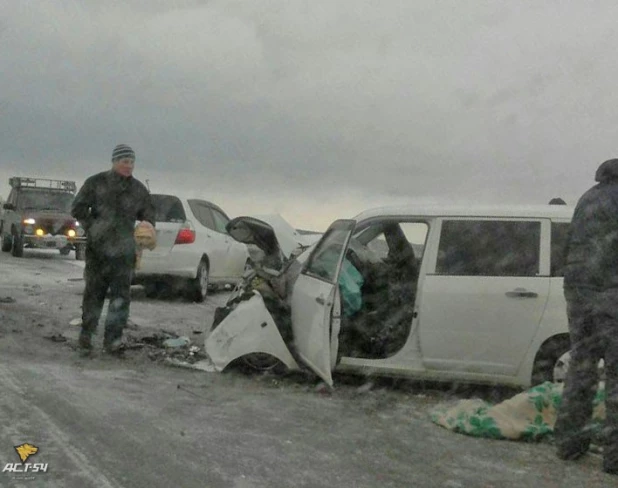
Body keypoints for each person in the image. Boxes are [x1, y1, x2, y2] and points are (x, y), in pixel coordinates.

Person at [554, 158, 618, 475]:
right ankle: (615, 459)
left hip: (578, 295)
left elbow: (570, 246)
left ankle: (569, 444)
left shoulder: (587, 197)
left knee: (581, 369)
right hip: (611, 294)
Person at [71, 144, 155, 354]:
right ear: (114, 162)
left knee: (121, 297)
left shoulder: (137, 190)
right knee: (94, 294)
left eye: (132, 162)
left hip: (124, 252)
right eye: (125, 162)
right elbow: (77, 208)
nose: (129, 166)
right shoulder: (96, 183)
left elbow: (149, 215)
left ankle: (113, 341)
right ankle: (86, 335)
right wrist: (93, 227)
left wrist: (147, 227)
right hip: (98, 250)